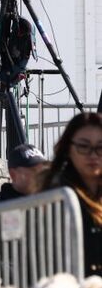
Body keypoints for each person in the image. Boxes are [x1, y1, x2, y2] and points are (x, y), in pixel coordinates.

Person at [44, 112, 102, 276]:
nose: (93, 155)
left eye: (100, 148)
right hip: (72, 286)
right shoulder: (56, 195)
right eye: (83, 146)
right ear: (68, 149)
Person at [0, 143, 49, 207]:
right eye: (34, 170)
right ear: (13, 175)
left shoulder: (50, 205)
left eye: (43, 170)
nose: (41, 175)